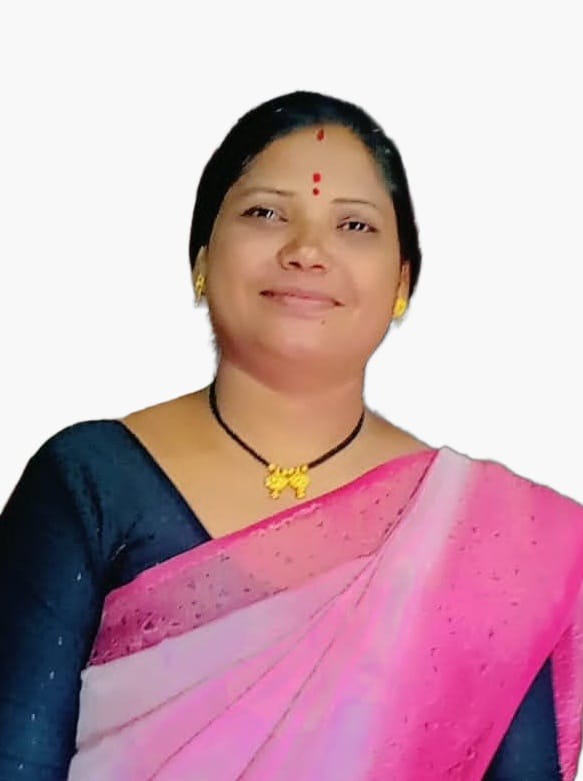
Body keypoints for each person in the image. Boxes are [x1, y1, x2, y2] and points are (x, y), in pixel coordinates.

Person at [1, 90, 581, 781]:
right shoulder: (90, 482)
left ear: (402, 282)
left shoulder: (492, 543)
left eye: (354, 225)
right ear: (201, 257)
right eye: (266, 213)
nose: (306, 251)